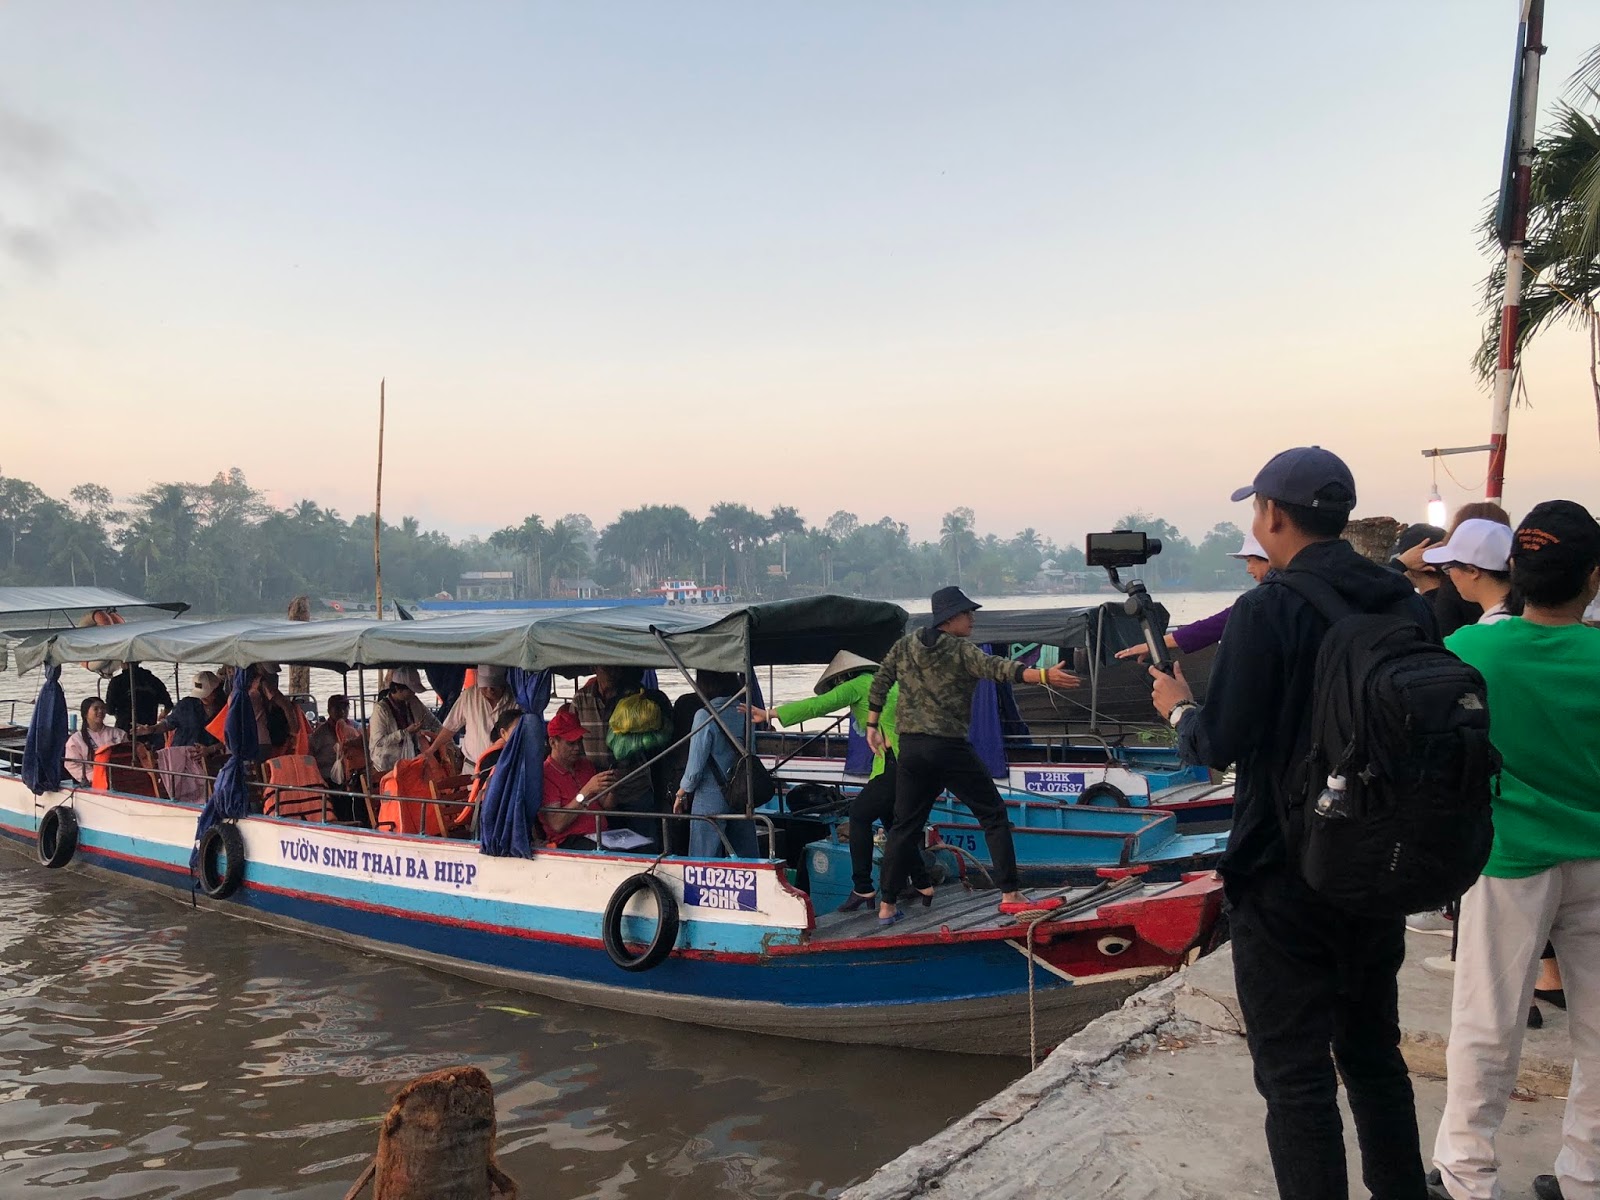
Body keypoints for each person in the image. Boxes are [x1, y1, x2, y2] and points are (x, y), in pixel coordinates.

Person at [1148, 446, 1434, 1200]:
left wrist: (1178, 708)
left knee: (1296, 1077)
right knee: (1374, 1056)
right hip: (1378, 859)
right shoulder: (1403, 600)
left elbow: (1220, 742)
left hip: (1284, 869)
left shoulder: (1267, 608)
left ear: (1272, 515)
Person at [1427, 501, 1600, 1200]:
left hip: (1508, 861)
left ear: (1515, 572)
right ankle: (1587, 1176)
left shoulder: (1471, 651)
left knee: (1486, 1023)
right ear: (1594, 576)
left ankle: (1467, 1178)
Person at [868, 585, 1081, 926]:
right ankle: (1010, 894)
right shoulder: (961, 650)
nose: (972, 618)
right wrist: (1043, 675)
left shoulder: (905, 645)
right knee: (993, 815)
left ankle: (887, 906)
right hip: (948, 747)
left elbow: (880, 681)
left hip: (911, 748)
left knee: (904, 826)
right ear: (950, 618)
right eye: (967, 613)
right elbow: (999, 668)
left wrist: (872, 724)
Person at [746, 650, 931, 911]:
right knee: (893, 822)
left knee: (859, 816)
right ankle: (922, 883)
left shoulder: (856, 685)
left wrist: (769, 715)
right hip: (912, 761)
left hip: (897, 765)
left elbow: (818, 705)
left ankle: (863, 888)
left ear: (842, 678)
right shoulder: (890, 683)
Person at [1116, 532, 1274, 661]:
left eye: (1250, 561)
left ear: (1270, 560)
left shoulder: (1264, 600)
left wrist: (1152, 645)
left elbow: (1211, 627)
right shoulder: (1277, 595)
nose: (1248, 569)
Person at [673, 672, 757, 859]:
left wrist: (681, 792)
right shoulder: (746, 712)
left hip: (711, 796)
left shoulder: (704, 715)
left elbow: (695, 767)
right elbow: (751, 753)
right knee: (747, 857)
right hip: (742, 793)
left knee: (704, 857)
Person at [540, 705, 618, 849]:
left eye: (579, 742)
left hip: (601, 834)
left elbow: (607, 805)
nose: (577, 748)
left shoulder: (586, 765)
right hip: (570, 840)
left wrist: (612, 787)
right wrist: (586, 791)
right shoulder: (546, 774)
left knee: (646, 847)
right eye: (571, 743)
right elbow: (557, 824)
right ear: (553, 742)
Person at [439, 664, 516, 772]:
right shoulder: (469, 695)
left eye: (494, 686)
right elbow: (450, 726)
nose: (490, 690)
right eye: (485, 686)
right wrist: (431, 750)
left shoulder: (515, 699)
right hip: (471, 766)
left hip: (503, 769)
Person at [368, 667, 442, 776]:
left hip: (412, 759)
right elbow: (379, 742)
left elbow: (434, 723)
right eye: (411, 690)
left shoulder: (413, 702)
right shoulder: (381, 710)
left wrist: (445, 738)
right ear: (398, 688)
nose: (414, 693)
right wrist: (404, 732)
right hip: (388, 764)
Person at [142, 670, 225, 750]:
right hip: (180, 751)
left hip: (211, 755)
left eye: (207, 694)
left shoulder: (224, 709)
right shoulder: (186, 705)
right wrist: (151, 729)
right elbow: (168, 723)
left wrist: (210, 749)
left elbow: (226, 739)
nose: (203, 697)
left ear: (216, 691)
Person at [66, 696, 128, 785]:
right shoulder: (76, 739)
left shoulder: (119, 733)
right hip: (92, 782)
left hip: (120, 779)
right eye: (96, 709)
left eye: (103, 708)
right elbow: (73, 765)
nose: (100, 711)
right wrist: (95, 777)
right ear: (85, 714)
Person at [104, 662, 174, 734]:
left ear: (123, 663)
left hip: (125, 729)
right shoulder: (153, 680)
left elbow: (110, 710)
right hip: (149, 728)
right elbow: (169, 705)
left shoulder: (116, 682)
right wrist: (162, 715)